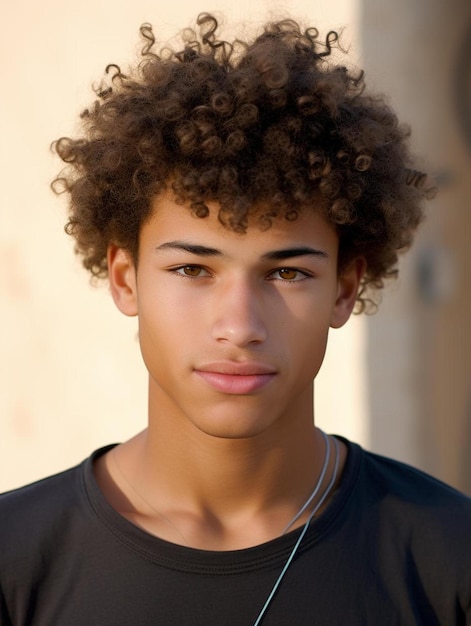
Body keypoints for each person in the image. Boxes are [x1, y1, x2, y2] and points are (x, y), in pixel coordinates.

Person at [0, 13, 470, 626]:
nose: (239, 325)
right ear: (124, 278)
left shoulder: (448, 555)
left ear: (344, 289)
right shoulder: (16, 561)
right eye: (194, 270)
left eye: (286, 273)